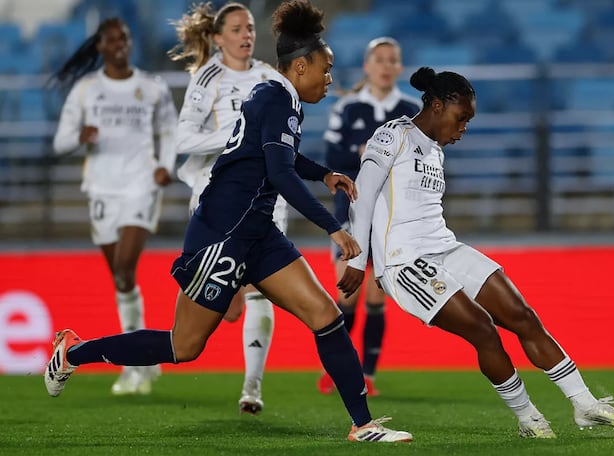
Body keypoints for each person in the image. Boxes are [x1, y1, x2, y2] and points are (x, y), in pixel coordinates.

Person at [44, 0, 412, 443]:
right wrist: (333, 228)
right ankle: (73, 353)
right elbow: (278, 173)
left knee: (326, 316)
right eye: (325, 68)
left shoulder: (278, 95)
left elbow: (280, 158)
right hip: (222, 235)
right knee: (185, 347)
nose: (331, 79)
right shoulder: (277, 98)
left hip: (257, 233)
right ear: (300, 67)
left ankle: (363, 425)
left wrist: (325, 174)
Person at [338, 66, 614, 439]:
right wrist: (357, 258)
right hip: (405, 263)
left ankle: (584, 404)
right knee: (484, 330)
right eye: (460, 118)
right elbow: (362, 198)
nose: (463, 128)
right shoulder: (392, 135)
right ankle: (529, 419)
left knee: (522, 316)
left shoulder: (435, 150)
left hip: (444, 248)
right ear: (435, 106)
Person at [168, 1, 287, 416]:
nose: (246, 34)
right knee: (228, 305)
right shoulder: (208, 78)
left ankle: (252, 388)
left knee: (259, 290)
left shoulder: (271, 78)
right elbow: (182, 140)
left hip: (264, 196)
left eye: (250, 27)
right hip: (215, 194)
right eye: (236, 29)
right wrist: (232, 135)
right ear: (218, 38)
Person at [51, 17, 178, 396]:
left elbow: (169, 130)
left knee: (125, 265)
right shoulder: (87, 89)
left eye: (124, 38)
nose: (120, 44)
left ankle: (132, 367)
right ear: (101, 47)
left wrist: (163, 166)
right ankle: (143, 359)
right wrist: (80, 136)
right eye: (112, 40)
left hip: (140, 185)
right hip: (102, 189)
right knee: (122, 280)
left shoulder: (150, 87)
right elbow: (59, 142)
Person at [318, 36, 420, 397]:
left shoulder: (411, 110)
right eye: (380, 59)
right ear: (367, 65)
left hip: (392, 217)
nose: (386, 66)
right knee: (347, 294)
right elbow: (331, 156)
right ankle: (338, 370)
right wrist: (360, 155)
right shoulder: (347, 108)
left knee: (377, 298)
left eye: (393, 60)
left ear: (399, 67)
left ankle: (368, 374)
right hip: (350, 212)